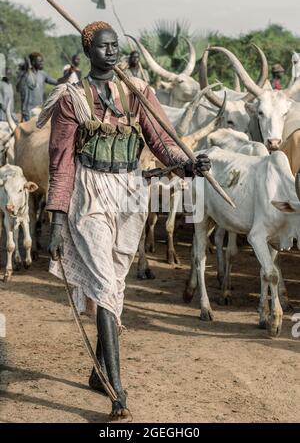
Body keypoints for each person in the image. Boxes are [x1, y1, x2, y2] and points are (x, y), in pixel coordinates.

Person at [42, 21, 210, 422]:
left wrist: (186, 165)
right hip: (91, 191)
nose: (112, 52)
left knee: (115, 286)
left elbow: (160, 139)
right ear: (88, 52)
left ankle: (97, 375)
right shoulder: (71, 98)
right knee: (102, 283)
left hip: (132, 191)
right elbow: (61, 163)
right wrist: (58, 221)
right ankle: (118, 391)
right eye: (103, 47)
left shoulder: (137, 91)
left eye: (115, 46)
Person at [17, 52, 69, 121]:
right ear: (33, 62)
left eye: (42, 61)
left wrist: (69, 74)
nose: (42, 63)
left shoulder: (42, 74)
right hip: (28, 111)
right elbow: (18, 88)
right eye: (40, 61)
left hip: (39, 109)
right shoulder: (24, 74)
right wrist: (25, 73)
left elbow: (57, 82)